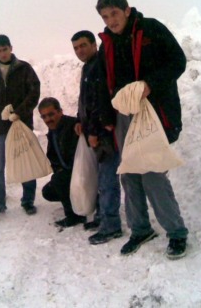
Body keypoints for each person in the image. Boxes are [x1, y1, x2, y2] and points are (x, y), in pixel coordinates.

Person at [96, 0, 189, 259]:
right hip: (124, 116)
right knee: (128, 173)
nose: (111, 20)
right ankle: (140, 229)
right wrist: (107, 118)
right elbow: (104, 83)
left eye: (114, 13)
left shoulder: (151, 30)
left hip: (155, 112)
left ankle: (177, 233)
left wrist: (150, 84)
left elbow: (178, 62)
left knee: (151, 173)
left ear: (126, 10)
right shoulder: (107, 44)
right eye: (105, 16)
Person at [0, 34, 40, 217]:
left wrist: (20, 111)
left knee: (25, 162)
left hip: (21, 124)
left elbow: (34, 91)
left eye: (5, 49)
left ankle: (28, 201)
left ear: (11, 48)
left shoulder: (24, 68)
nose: (2, 53)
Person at [71, 30, 122, 245]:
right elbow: (86, 101)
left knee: (108, 180)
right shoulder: (88, 67)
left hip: (105, 133)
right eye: (75, 48)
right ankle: (102, 217)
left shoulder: (100, 64)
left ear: (93, 44)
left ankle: (111, 226)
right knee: (102, 177)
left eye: (83, 45)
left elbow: (101, 102)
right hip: (95, 130)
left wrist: (93, 131)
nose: (79, 51)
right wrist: (79, 120)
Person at [38, 97, 86, 228]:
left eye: (51, 114)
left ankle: (74, 215)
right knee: (48, 191)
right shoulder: (53, 131)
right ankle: (78, 202)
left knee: (59, 180)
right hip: (69, 173)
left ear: (60, 111)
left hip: (82, 173)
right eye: (44, 116)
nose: (48, 119)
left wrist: (62, 173)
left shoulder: (73, 126)